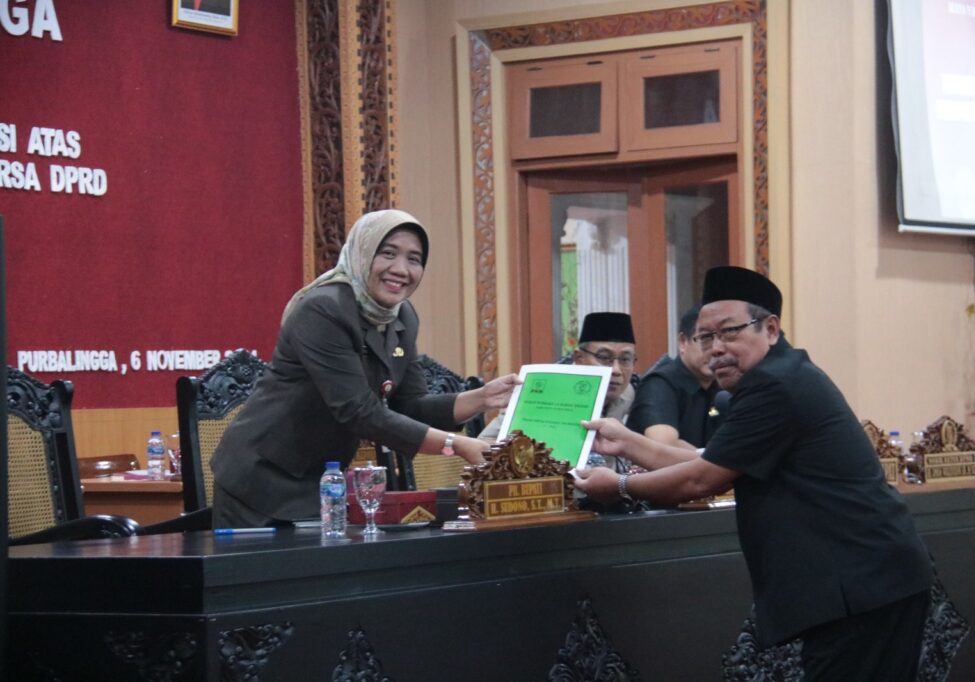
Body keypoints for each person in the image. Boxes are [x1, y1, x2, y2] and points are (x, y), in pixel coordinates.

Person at [575, 266, 935, 680]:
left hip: (864, 586)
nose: (716, 349)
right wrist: (627, 442)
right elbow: (712, 462)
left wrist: (619, 485)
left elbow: (700, 480)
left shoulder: (776, 385)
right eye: (706, 337)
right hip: (864, 584)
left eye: (729, 332)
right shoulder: (778, 376)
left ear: (771, 329)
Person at [211, 209, 519, 528]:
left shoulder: (402, 316)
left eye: (414, 259)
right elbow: (359, 411)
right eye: (388, 253)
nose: (401, 269)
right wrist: (458, 445)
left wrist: (482, 398)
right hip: (260, 481)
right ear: (362, 252)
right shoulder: (323, 309)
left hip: (321, 483)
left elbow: (411, 406)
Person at [479, 311, 637, 474]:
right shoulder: (548, 389)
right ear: (579, 358)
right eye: (604, 357)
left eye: (625, 359)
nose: (616, 370)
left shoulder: (628, 394)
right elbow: (485, 443)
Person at [626, 304, 720, 448]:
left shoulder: (723, 388)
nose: (716, 349)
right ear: (683, 342)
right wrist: (715, 459)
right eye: (706, 338)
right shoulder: (660, 384)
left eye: (723, 338)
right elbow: (664, 445)